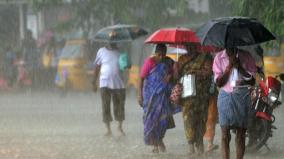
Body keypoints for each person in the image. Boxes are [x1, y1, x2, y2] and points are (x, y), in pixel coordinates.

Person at [213, 48, 257, 159]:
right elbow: (218, 83)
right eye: (228, 42)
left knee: (241, 134)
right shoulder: (219, 58)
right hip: (225, 96)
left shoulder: (246, 56)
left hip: (242, 96)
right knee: (225, 134)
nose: (231, 45)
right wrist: (229, 68)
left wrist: (240, 67)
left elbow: (252, 81)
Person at [138, 43, 176, 153]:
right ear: (156, 53)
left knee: (162, 121)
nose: (161, 57)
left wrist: (171, 75)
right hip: (150, 97)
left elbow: (175, 77)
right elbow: (141, 78)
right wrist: (139, 95)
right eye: (159, 54)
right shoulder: (149, 62)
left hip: (163, 97)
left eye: (163, 54)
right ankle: (155, 145)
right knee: (150, 120)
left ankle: (159, 141)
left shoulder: (169, 62)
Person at [176, 44, 213, 157]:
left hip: (202, 96)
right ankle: (191, 146)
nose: (190, 47)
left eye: (192, 45)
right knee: (188, 120)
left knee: (201, 120)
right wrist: (176, 69)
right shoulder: (182, 59)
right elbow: (177, 77)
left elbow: (209, 72)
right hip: (187, 96)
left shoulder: (205, 57)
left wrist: (196, 72)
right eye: (188, 45)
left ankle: (200, 144)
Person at [92, 42, 126, 137]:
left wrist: (126, 63)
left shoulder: (121, 52)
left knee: (119, 106)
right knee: (105, 106)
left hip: (118, 83)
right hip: (104, 82)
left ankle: (120, 127)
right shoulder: (101, 51)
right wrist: (94, 82)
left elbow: (126, 66)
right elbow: (97, 67)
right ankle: (108, 130)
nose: (112, 42)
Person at [203, 75, 219, 153]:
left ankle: (209, 143)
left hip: (210, 95)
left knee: (211, 118)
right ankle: (203, 144)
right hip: (202, 95)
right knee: (208, 118)